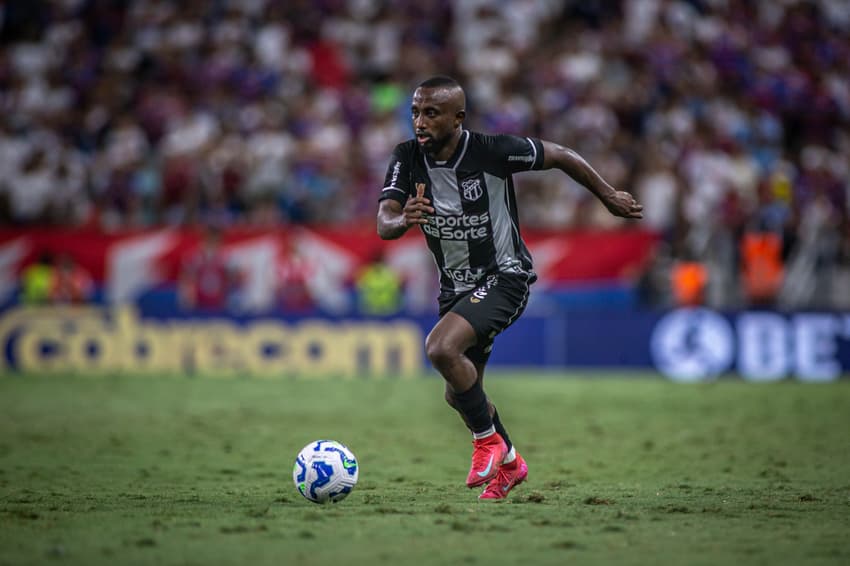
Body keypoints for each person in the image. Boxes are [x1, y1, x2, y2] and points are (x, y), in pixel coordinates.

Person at [376, 76, 643, 500]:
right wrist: (404, 218)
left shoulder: (491, 151)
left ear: (458, 118)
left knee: (441, 349)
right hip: (455, 289)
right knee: (458, 392)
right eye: (415, 111)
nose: (419, 121)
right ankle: (512, 463)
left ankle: (487, 443)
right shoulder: (406, 157)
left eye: (431, 113)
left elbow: (560, 155)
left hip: (505, 276)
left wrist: (607, 196)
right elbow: (384, 221)